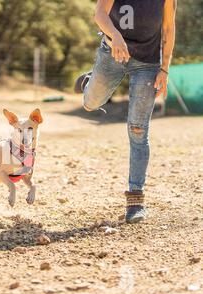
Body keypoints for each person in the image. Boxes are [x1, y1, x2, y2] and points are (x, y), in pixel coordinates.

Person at [74, 0, 176, 223]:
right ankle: (88, 83)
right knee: (91, 103)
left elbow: (168, 28)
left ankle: (135, 201)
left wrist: (165, 68)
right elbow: (100, 13)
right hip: (112, 53)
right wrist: (115, 35)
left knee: (138, 130)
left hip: (147, 64)